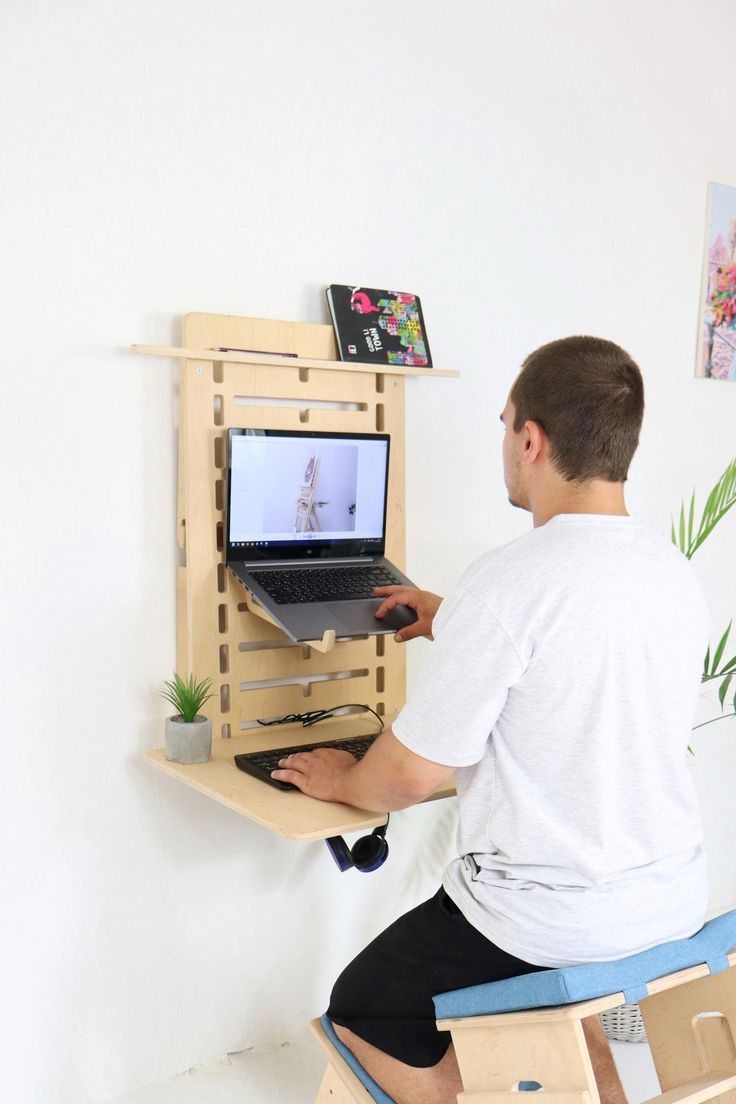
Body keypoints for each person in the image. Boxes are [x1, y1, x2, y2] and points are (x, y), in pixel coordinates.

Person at [272, 336, 712, 1104]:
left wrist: (348, 778)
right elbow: (582, 661)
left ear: (531, 440)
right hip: (667, 905)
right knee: (594, 1019)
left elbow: (404, 780)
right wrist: (458, 620)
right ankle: (602, 1082)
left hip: (546, 926)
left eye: (506, 424)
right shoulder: (669, 572)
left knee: (363, 1012)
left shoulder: (511, 585)